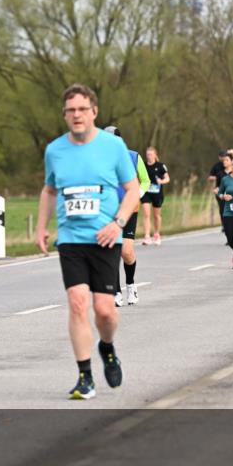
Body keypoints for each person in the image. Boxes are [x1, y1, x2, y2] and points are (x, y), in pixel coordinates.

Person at [37, 84, 139, 400]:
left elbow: (133, 189)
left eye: (82, 109)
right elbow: (49, 190)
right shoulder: (55, 150)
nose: (77, 115)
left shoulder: (113, 147)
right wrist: (41, 226)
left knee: (105, 311)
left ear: (94, 111)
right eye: (71, 110)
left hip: (106, 237)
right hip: (71, 239)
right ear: (65, 115)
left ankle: (107, 347)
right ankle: (85, 377)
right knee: (78, 302)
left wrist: (118, 223)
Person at [103, 126, 149, 307]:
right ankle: (115, 292)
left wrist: (137, 194)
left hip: (129, 209)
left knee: (126, 252)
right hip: (108, 211)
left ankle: (130, 284)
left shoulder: (133, 156)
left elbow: (145, 180)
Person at [140, 147, 170, 245]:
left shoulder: (160, 166)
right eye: (147, 154)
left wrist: (161, 181)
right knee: (146, 214)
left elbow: (167, 178)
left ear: (155, 155)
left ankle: (156, 234)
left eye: (151, 154)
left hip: (157, 193)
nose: (149, 156)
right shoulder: (143, 165)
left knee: (156, 215)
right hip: (146, 192)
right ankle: (147, 236)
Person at [209, 151, 232, 222]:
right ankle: (224, 225)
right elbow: (218, 185)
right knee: (222, 209)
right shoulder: (219, 173)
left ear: (231, 161)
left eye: (226, 160)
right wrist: (216, 190)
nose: (224, 162)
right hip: (222, 195)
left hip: (232, 194)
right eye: (223, 160)